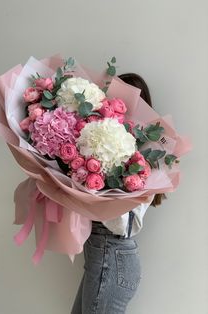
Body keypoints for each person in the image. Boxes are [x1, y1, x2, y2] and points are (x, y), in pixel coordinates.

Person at [71, 73, 165, 314]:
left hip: (111, 253)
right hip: (104, 256)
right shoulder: (109, 144)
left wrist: (96, 187)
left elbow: (120, 221)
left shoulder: (142, 154)